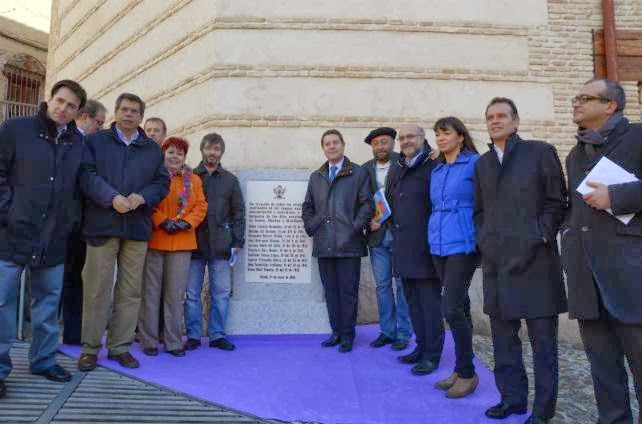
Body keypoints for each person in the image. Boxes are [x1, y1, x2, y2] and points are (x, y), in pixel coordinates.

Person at [474, 97, 567, 423]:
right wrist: (483, 240)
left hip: (536, 264)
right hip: (497, 266)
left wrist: (538, 236)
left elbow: (557, 203)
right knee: (503, 341)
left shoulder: (540, 152)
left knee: (543, 346)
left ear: (516, 121)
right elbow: (480, 211)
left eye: (501, 116)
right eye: (490, 117)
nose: (495, 121)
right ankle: (512, 399)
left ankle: (542, 411)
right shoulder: (483, 163)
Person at [0, 80, 87, 396]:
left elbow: (82, 185)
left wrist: (70, 219)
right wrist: (7, 211)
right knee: (2, 304)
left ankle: (44, 360)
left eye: (71, 106)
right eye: (60, 101)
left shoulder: (78, 142)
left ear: (78, 112)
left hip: (54, 237)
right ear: (49, 98)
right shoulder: (14, 129)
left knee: (48, 304)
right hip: (10, 234)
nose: (63, 108)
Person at [564, 79, 642, 424]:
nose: (575, 103)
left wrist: (619, 196)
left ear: (610, 105)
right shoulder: (574, 153)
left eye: (585, 98)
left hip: (630, 276)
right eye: (575, 97)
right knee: (603, 371)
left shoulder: (637, 138)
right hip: (586, 278)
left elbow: (617, 198)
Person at [77, 93, 170, 371]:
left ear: (141, 117)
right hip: (102, 224)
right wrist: (111, 197)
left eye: (134, 111)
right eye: (124, 109)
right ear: (116, 113)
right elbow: (86, 176)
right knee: (96, 290)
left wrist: (143, 197)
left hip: (136, 227)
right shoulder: (95, 141)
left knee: (130, 292)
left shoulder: (153, 150)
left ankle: (120, 347)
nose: (129, 114)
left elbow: (162, 183)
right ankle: (90, 348)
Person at [302, 129, 371, 353]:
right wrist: (312, 226)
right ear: (323, 148)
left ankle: (348, 335)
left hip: (348, 243)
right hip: (324, 244)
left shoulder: (358, 173)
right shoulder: (317, 176)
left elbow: (367, 204)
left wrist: (354, 227)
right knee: (330, 292)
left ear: (343, 145)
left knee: (348, 292)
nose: (331, 147)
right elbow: (308, 207)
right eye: (327, 144)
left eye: (335, 142)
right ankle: (336, 333)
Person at [138, 137, 206, 357]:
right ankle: (148, 340)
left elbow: (200, 205)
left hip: (182, 241)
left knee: (175, 295)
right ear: (163, 154)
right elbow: (148, 202)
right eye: (171, 152)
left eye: (179, 153)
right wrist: (162, 221)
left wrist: (187, 222)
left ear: (185, 158)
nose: (175, 156)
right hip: (157, 239)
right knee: (151, 293)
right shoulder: (153, 177)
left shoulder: (194, 180)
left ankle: (174, 341)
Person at [429, 117, 480, 398]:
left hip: (463, 242)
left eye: (445, 133)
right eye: (437, 134)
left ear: (460, 136)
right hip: (438, 243)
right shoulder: (437, 169)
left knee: (450, 309)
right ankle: (462, 369)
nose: (440, 138)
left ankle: (468, 374)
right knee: (459, 306)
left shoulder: (474, 163)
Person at [389, 124, 444, 375]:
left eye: (410, 136)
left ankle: (432, 354)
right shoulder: (401, 167)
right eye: (402, 138)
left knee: (430, 307)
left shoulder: (434, 165)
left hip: (425, 250)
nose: (405, 141)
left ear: (423, 139)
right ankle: (421, 347)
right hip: (403, 248)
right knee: (413, 305)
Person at [183, 133, 244, 352]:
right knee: (191, 294)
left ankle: (218, 334)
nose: (212, 153)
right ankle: (193, 335)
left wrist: (237, 241)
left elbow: (238, 212)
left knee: (221, 293)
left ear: (221, 152)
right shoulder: (189, 177)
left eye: (217, 149)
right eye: (209, 148)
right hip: (193, 243)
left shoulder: (230, 180)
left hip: (221, 245)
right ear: (202, 150)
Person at [62, 98, 107, 345]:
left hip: (81, 223)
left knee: (76, 279)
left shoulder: (86, 143)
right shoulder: (71, 140)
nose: (99, 129)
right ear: (85, 117)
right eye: (99, 123)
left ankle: (72, 333)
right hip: (63, 222)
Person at [362, 127, 411, 350]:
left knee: (402, 285)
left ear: (393, 143)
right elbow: (360, 202)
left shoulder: (405, 165)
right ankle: (387, 331)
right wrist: (368, 222)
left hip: (401, 234)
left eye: (384, 142)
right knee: (382, 286)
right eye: (376, 144)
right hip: (377, 236)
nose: (380, 147)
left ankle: (403, 333)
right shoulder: (364, 170)